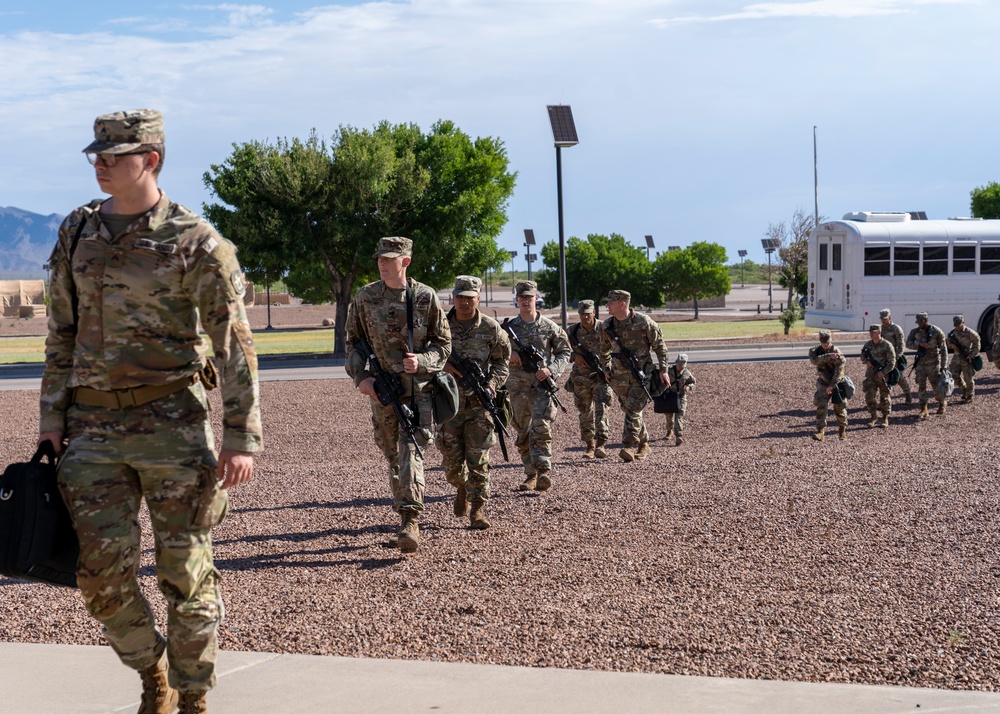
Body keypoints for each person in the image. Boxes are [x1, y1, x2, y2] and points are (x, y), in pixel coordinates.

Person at [39, 109, 263, 714]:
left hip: (173, 427)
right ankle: (151, 666)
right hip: (91, 431)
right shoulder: (77, 231)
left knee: (186, 575)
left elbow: (234, 342)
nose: (102, 165)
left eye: (115, 156)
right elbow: (62, 331)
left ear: (152, 159)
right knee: (99, 578)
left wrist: (241, 435)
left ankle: (192, 697)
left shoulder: (196, 241)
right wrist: (51, 421)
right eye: (97, 157)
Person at [346, 236, 451, 553]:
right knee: (394, 456)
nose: (381, 262)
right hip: (381, 391)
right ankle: (405, 510)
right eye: (379, 257)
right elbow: (352, 344)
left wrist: (423, 361)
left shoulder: (424, 297)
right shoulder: (365, 298)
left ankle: (410, 521)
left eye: (388, 258)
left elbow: (443, 345)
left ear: (405, 261)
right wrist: (361, 378)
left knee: (411, 452)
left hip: (417, 389)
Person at [437, 276, 510, 530]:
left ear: (478, 298)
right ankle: (461, 486)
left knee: (479, 459)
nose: (464, 302)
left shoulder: (491, 329)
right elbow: (425, 355)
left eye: (469, 298)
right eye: (460, 297)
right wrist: (445, 366)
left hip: (480, 404)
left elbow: (502, 362)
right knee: (451, 465)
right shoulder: (440, 327)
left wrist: (491, 385)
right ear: (453, 298)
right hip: (449, 404)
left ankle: (478, 510)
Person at [504, 280, 571, 492]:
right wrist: (509, 355)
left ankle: (543, 471)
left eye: (529, 297)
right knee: (523, 431)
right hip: (516, 388)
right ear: (517, 300)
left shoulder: (550, 327)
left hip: (541, 386)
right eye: (522, 297)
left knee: (541, 426)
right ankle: (530, 474)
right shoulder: (507, 329)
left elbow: (564, 353)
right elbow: (494, 353)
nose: (525, 301)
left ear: (536, 299)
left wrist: (551, 370)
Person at [600, 289, 669, 462]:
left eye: (611, 302)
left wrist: (664, 370)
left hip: (642, 376)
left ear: (622, 304)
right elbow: (603, 351)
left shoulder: (644, 322)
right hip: (619, 378)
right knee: (631, 411)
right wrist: (606, 369)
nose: (607, 305)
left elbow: (660, 347)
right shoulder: (607, 326)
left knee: (633, 409)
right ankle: (644, 443)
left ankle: (629, 446)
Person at [566, 299, 612, 459]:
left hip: (601, 377)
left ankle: (601, 444)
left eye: (588, 314)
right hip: (581, 378)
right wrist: (575, 356)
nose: (585, 317)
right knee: (584, 412)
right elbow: (561, 350)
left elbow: (616, 348)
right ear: (579, 314)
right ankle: (589, 445)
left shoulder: (604, 328)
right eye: (582, 314)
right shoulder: (572, 331)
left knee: (602, 410)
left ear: (594, 313)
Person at [905, 312, 948, 418]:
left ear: (926, 321)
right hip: (920, 363)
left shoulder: (936, 331)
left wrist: (944, 364)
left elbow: (943, 348)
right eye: (918, 322)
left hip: (933, 363)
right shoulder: (914, 332)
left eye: (921, 322)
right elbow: (907, 344)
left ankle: (942, 402)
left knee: (936, 386)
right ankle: (924, 408)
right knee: (921, 387)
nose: (919, 324)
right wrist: (918, 344)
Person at [809, 331, 847, 441]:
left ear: (831, 340)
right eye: (823, 342)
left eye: (827, 342)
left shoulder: (837, 352)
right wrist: (829, 356)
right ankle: (820, 431)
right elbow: (814, 360)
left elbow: (839, 372)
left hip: (836, 383)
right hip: (823, 383)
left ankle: (842, 430)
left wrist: (832, 385)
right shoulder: (815, 350)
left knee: (839, 407)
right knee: (821, 406)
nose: (825, 344)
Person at [860, 324, 896, 428]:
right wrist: (866, 361)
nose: (871, 334)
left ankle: (885, 418)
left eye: (874, 332)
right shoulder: (868, 345)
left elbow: (892, 362)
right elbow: (862, 355)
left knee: (884, 397)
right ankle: (873, 416)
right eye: (870, 332)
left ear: (879, 332)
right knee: (869, 396)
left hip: (883, 376)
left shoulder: (887, 345)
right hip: (871, 375)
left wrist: (884, 372)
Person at [879, 308, 913, 404]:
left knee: (899, 377)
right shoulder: (881, 329)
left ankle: (907, 394)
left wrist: (897, 356)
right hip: (884, 358)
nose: (883, 321)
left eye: (885, 319)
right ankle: (885, 400)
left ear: (890, 318)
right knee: (884, 378)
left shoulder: (896, 328)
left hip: (895, 357)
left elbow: (901, 344)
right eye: (882, 319)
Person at [947, 314, 981, 403]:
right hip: (956, 358)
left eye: (959, 325)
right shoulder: (952, 333)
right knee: (952, 375)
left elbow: (977, 345)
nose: (957, 327)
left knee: (968, 378)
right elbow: (948, 342)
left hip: (966, 358)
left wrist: (971, 355)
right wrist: (951, 346)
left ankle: (970, 396)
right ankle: (964, 388)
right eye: (956, 325)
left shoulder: (970, 333)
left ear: (963, 323)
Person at [664, 353, 696, 446]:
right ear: (676, 363)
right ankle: (669, 431)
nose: (680, 367)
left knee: (679, 415)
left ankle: (678, 436)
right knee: (669, 417)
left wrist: (689, 387)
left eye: (682, 366)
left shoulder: (687, 373)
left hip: (681, 397)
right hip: (670, 396)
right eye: (679, 365)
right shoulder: (669, 371)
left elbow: (692, 382)